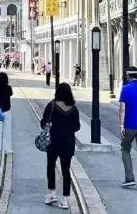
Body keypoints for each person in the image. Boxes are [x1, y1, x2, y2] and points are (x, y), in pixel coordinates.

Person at [41, 82, 80, 210]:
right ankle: (65, 199)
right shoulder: (73, 109)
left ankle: (52, 193)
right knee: (66, 170)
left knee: (50, 166)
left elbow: (43, 123)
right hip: (67, 142)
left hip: (53, 141)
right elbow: (77, 127)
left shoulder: (51, 106)